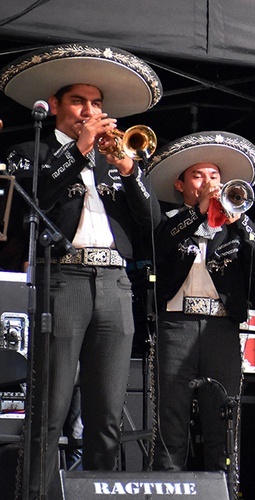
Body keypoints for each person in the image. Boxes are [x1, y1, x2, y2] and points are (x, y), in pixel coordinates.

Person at [0, 43, 162, 498]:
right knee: (48, 410)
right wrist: (80, 148)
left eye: (96, 104)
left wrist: (131, 172)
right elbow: (34, 204)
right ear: (55, 106)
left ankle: (99, 492)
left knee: (106, 414)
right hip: (62, 279)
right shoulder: (29, 150)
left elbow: (151, 227)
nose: (90, 111)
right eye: (79, 102)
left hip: (115, 282)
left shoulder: (116, 162)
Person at [145, 132, 255, 477]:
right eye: (199, 176)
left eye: (214, 176)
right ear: (181, 184)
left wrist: (241, 221)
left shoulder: (235, 227)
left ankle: (224, 489)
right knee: (171, 421)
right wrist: (199, 213)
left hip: (221, 328)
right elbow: (159, 247)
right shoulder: (169, 220)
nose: (209, 183)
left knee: (223, 419)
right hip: (176, 326)